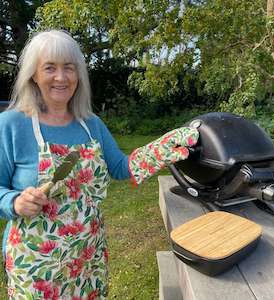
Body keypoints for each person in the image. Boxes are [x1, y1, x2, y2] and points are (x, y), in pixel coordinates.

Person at [0, 30, 199, 299]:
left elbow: (120, 166)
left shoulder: (90, 124)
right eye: (50, 68)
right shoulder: (12, 125)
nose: (61, 77)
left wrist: (160, 150)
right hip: (36, 264)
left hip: (87, 257)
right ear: (33, 74)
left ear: (78, 75)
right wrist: (14, 202)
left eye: (69, 68)